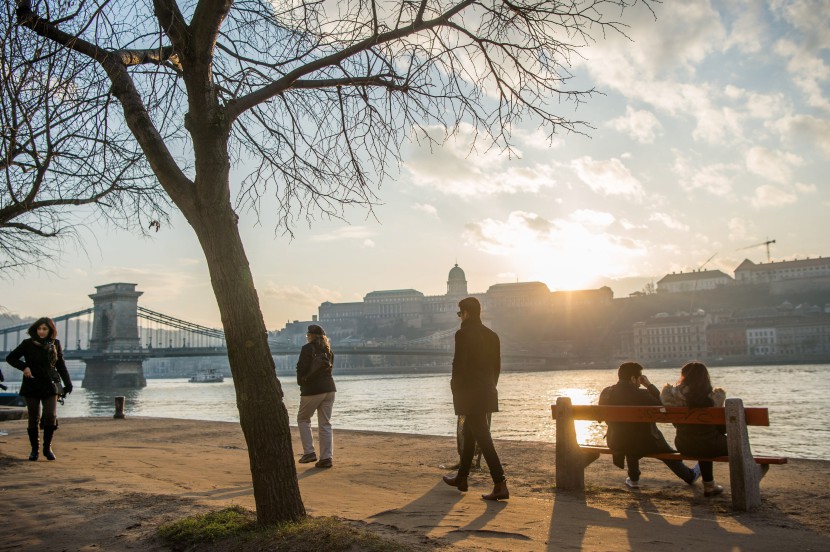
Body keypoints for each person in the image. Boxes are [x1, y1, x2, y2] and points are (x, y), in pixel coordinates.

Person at [442, 297, 508, 501]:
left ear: (466, 313)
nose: (460, 317)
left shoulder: (462, 334)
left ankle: (500, 483)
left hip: (469, 393)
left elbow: (458, 364)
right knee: (470, 434)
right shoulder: (492, 335)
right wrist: (490, 387)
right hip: (487, 391)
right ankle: (462, 478)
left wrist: (455, 388)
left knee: (483, 438)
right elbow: (496, 367)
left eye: (460, 313)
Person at [598, 361, 700, 489]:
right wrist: (649, 385)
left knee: (628, 435)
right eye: (639, 379)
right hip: (645, 443)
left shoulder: (606, 392)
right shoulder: (642, 394)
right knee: (655, 443)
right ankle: (689, 475)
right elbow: (664, 404)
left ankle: (634, 479)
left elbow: (600, 417)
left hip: (616, 441)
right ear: (633, 378)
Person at [5, 317, 73, 461]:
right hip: (32, 384)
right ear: (35, 330)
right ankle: (34, 450)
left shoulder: (56, 344)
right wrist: (24, 367)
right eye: (39, 329)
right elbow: (10, 358)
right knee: (33, 418)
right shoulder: (27, 344)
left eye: (44, 329)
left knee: (50, 416)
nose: (41, 332)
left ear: (50, 330)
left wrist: (68, 383)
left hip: (50, 385)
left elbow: (60, 365)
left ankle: (47, 448)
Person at [661, 361, 727, 497]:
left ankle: (709, 484)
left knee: (702, 440)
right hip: (710, 445)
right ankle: (709, 485)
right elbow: (722, 429)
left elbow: (675, 423)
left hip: (684, 444)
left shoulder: (673, 398)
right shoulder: (715, 398)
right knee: (708, 441)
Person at [295, 324, 336, 468]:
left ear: (310, 336)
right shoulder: (329, 350)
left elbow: (301, 368)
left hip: (313, 389)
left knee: (303, 419)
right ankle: (326, 458)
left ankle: (309, 452)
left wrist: (302, 383)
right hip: (330, 389)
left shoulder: (307, 349)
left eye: (308, 336)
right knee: (325, 423)